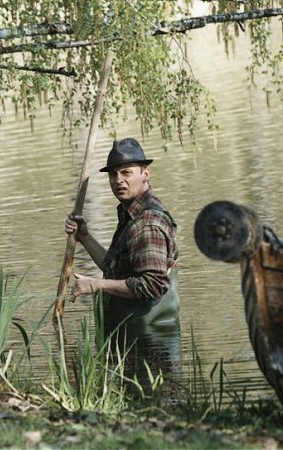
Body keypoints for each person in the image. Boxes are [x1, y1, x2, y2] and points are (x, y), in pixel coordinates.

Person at [65, 137, 180, 394]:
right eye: (113, 174)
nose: (119, 180)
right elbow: (115, 267)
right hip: (133, 336)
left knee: (150, 401)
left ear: (145, 174)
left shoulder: (147, 222)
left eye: (127, 173)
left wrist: (95, 285)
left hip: (149, 340)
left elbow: (152, 286)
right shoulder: (131, 214)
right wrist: (84, 236)